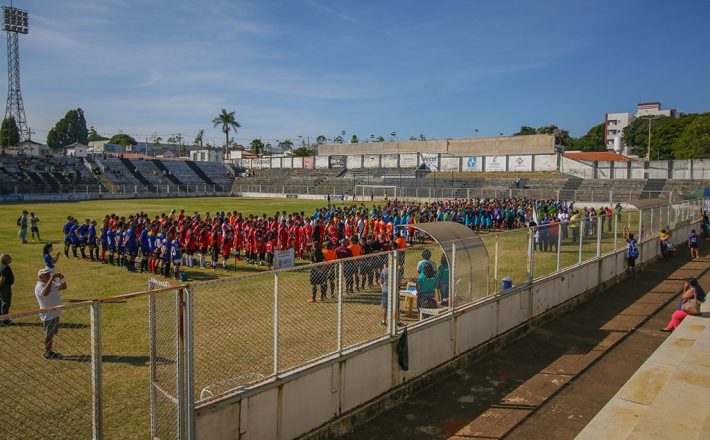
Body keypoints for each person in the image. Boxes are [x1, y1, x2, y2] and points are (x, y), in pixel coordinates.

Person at [34, 268, 67, 359]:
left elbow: (64, 287)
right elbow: (45, 293)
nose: (49, 275)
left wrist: (62, 278)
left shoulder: (51, 283)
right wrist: (52, 278)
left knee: (51, 334)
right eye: (46, 275)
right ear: (40, 277)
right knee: (48, 335)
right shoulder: (39, 287)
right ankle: (47, 353)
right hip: (48, 315)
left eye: (49, 274)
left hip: (55, 313)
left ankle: (49, 351)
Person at [0, 254, 14, 326]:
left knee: (2, 302)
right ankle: (4, 321)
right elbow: (2, 279)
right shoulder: (5, 268)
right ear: (5, 260)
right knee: (5, 303)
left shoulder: (1, 265)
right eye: (9, 258)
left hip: (3, 287)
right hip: (5, 287)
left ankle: (2, 319)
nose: (10, 259)